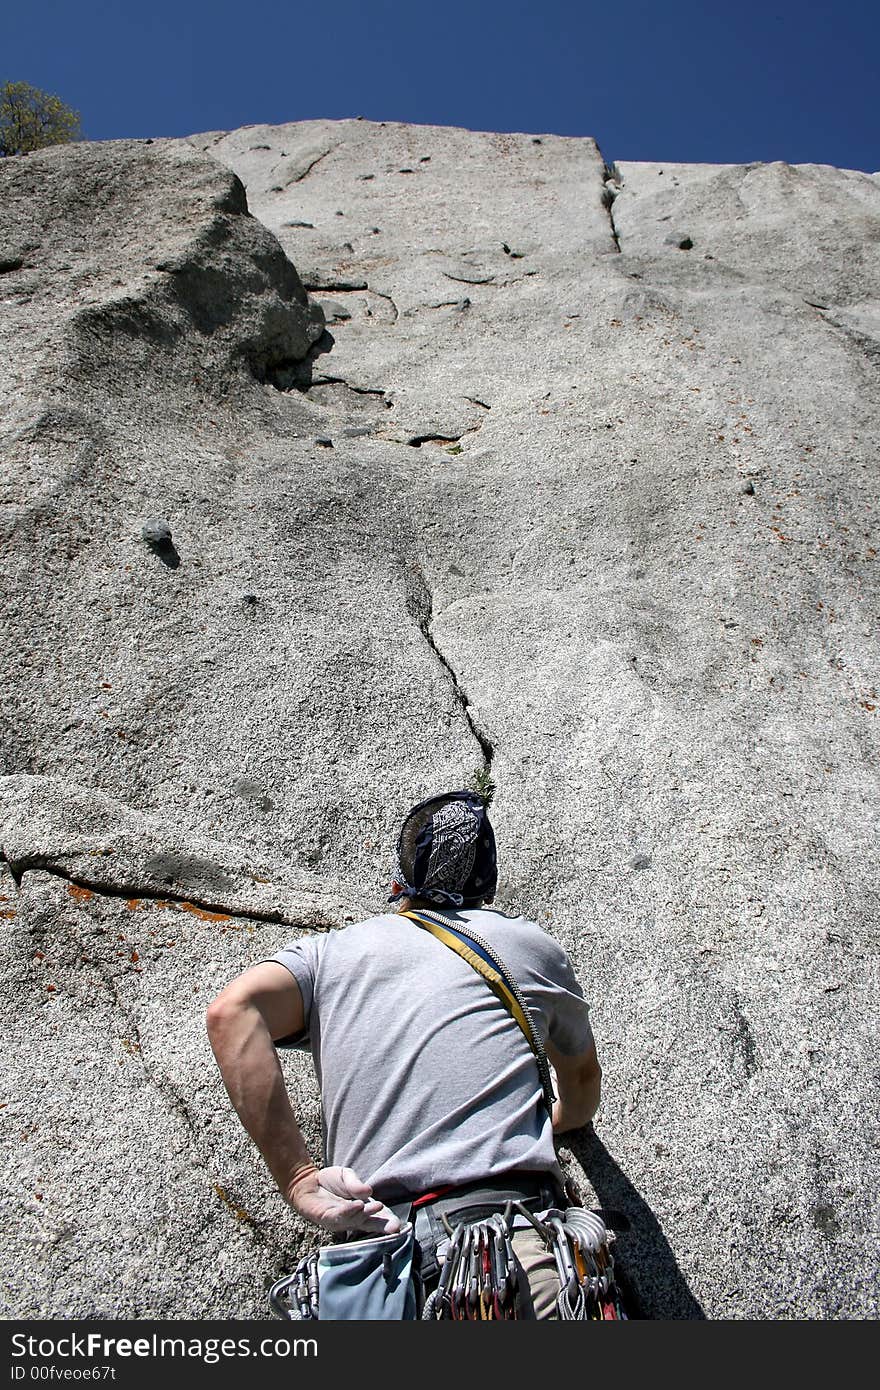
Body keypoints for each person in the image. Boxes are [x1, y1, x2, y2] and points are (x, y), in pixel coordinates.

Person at [206, 788, 601, 1318]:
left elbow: (232, 1013)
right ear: (486, 886)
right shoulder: (527, 945)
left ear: (399, 882)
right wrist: (553, 1121)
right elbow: (580, 1088)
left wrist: (299, 1178)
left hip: (381, 1265)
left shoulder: (332, 952)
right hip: (515, 1241)